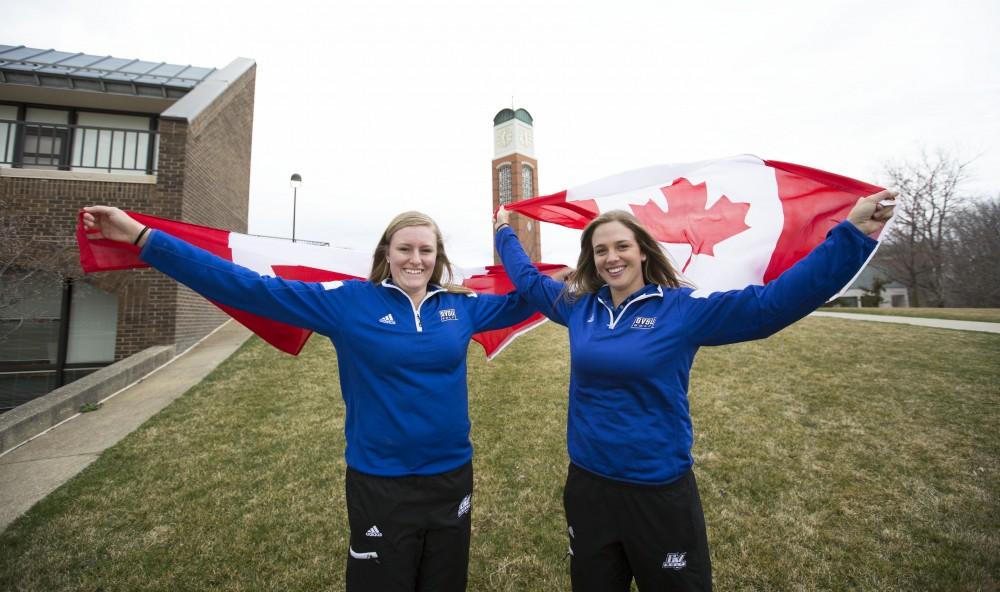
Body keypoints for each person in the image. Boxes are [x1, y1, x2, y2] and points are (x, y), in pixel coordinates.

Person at [81, 206, 539, 592]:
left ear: (438, 257)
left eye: (425, 250)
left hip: (451, 477)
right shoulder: (348, 303)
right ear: (386, 253)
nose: (415, 259)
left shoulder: (461, 307)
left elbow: (536, 294)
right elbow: (245, 286)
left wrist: (507, 236)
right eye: (405, 248)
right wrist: (144, 239)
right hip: (381, 482)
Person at [492, 190, 896, 592]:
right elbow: (527, 281)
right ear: (592, 260)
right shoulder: (580, 307)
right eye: (600, 251)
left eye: (621, 246)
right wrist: (504, 233)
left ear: (643, 252)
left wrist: (852, 237)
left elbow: (771, 306)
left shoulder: (681, 310)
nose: (611, 258)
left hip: (657, 490)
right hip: (588, 485)